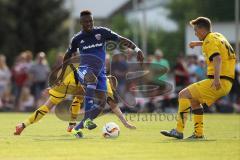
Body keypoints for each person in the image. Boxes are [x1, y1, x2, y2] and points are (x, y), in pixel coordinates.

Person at [61, 10, 143, 138]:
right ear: (81, 23)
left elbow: (121, 39)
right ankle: (88, 119)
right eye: (86, 21)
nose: (89, 23)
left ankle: (77, 129)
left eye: (91, 21)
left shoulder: (102, 32)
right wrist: (61, 75)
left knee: (101, 103)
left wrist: (137, 49)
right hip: (84, 70)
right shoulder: (77, 39)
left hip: (100, 73)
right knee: (91, 80)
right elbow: (67, 55)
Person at [161, 17, 236, 139]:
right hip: (227, 82)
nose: (195, 33)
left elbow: (217, 58)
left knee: (183, 94)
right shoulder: (217, 36)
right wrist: (198, 43)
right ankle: (198, 134)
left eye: (195, 30)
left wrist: (216, 79)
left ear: (201, 29)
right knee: (194, 101)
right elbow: (216, 46)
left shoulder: (209, 41)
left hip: (219, 80)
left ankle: (178, 130)